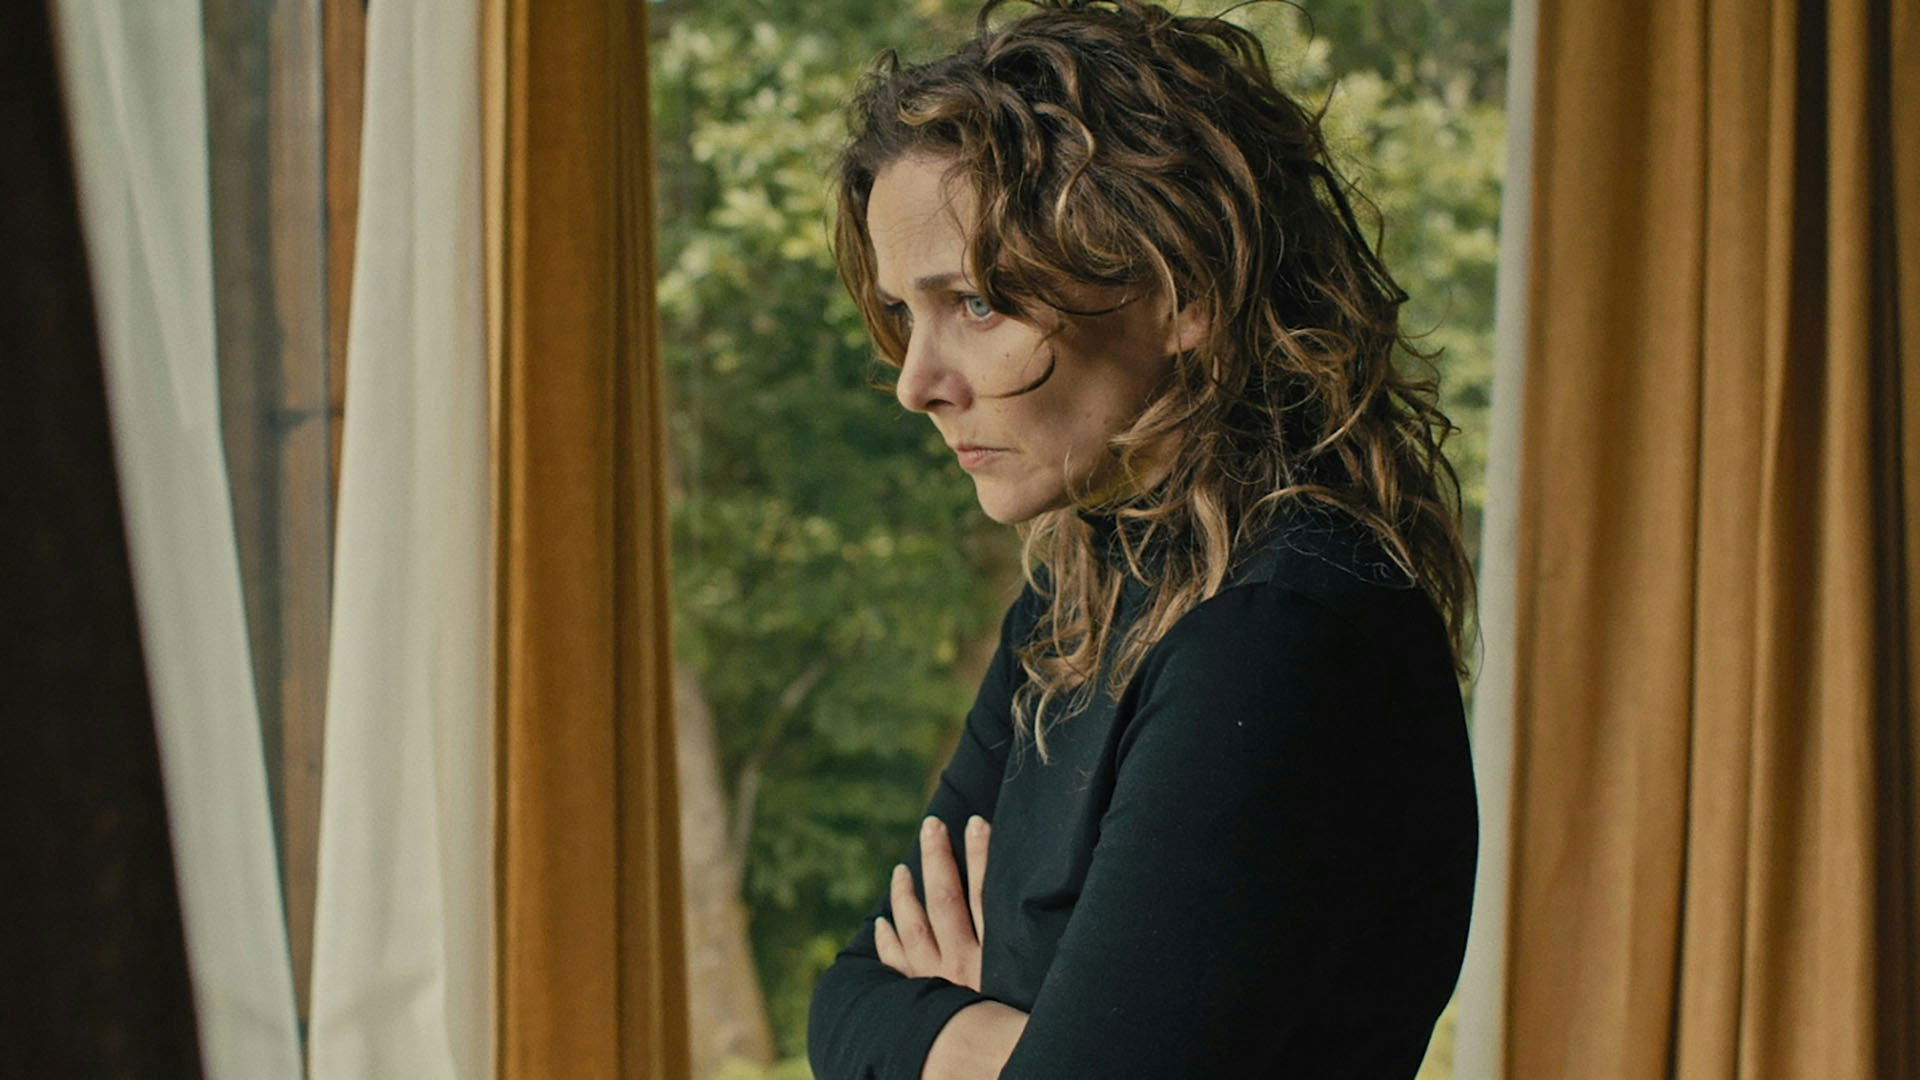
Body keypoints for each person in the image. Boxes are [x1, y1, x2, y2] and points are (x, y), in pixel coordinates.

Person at [806, 1, 1480, 1076]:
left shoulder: (1281, 632)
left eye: (974, 303)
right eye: (903, 312)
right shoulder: (1079, 597)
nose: (914, 384)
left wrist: (966, 1022)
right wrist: (1002, 1043)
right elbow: (848, 998)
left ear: (1181, 291)